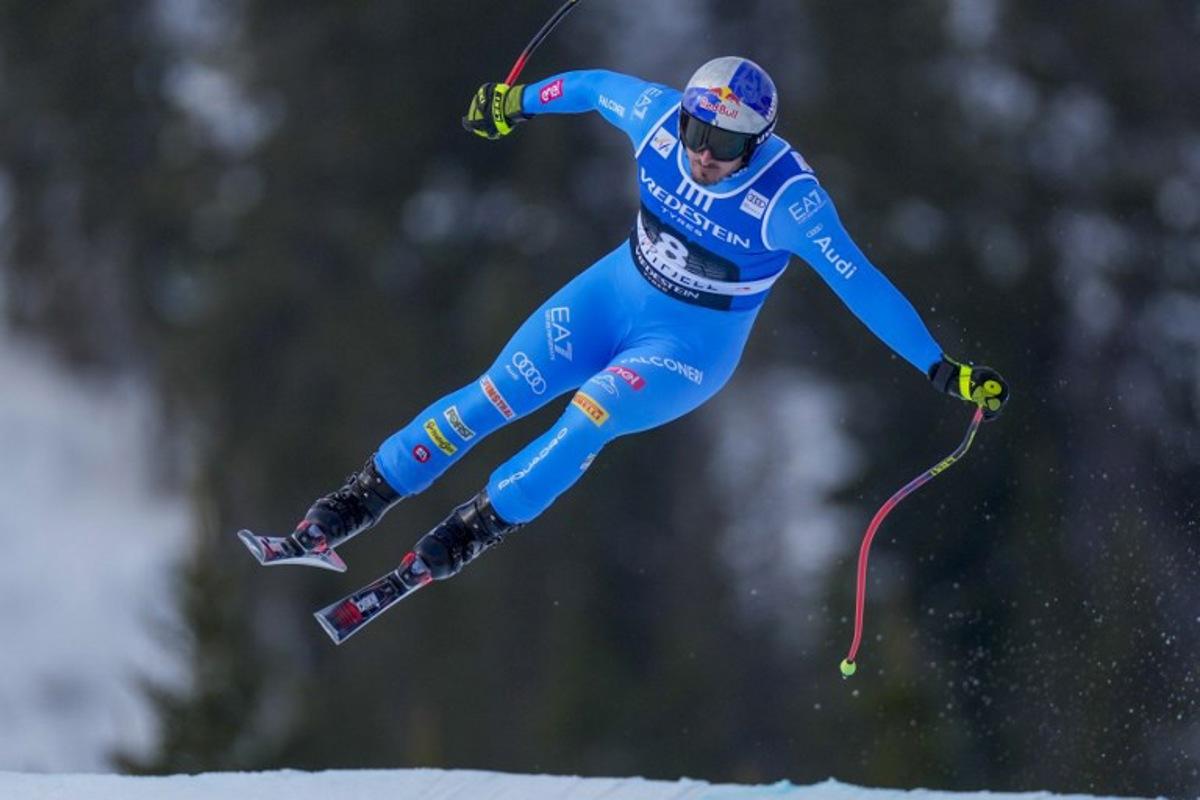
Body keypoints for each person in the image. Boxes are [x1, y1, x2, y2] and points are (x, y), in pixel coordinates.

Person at [242, 57, 1009, 583]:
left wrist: (942, 368)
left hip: (689, 345)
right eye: (698, 135)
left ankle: (464, 535)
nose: (706, 155)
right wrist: (513, 104)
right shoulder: (656, 119)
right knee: (491, 397)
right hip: (612, 294)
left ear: (760, 142)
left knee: (588, 416)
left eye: (728, 146)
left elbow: (864, 285)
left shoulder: (789, 201)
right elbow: (592, 85)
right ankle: (347, 507)